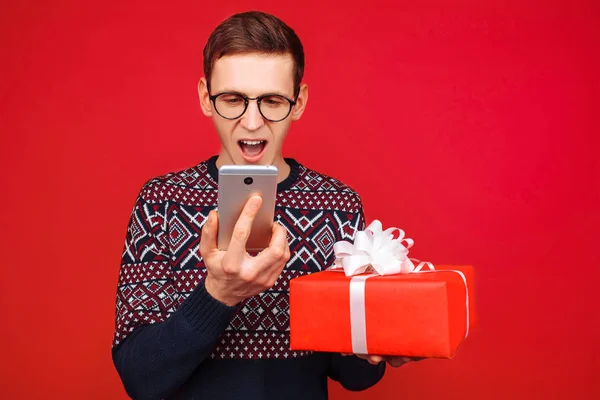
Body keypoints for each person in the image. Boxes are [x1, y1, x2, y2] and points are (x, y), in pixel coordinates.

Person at [112, 11, 414, 400]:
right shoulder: (161, 202)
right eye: (233, 99)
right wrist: (219, 294)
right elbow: (140, 377)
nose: (252, 122)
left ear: (298, 102)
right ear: (206, 98)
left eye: (272, 100)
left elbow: (354, 377)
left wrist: (381, 344)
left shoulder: (337, 204)